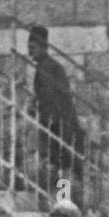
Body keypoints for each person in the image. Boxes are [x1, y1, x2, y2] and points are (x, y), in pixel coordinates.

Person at [29, 25, 85, 195]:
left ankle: (61, 201)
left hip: (58, 126)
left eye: (33, 48)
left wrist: (46, 123)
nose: (30, 53)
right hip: (61, 124)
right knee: (61, 165)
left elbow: (51, 99)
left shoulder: (47, 67)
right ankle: (61, 201)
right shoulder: (51, 66)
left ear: (43, 47)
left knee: (60, 166)